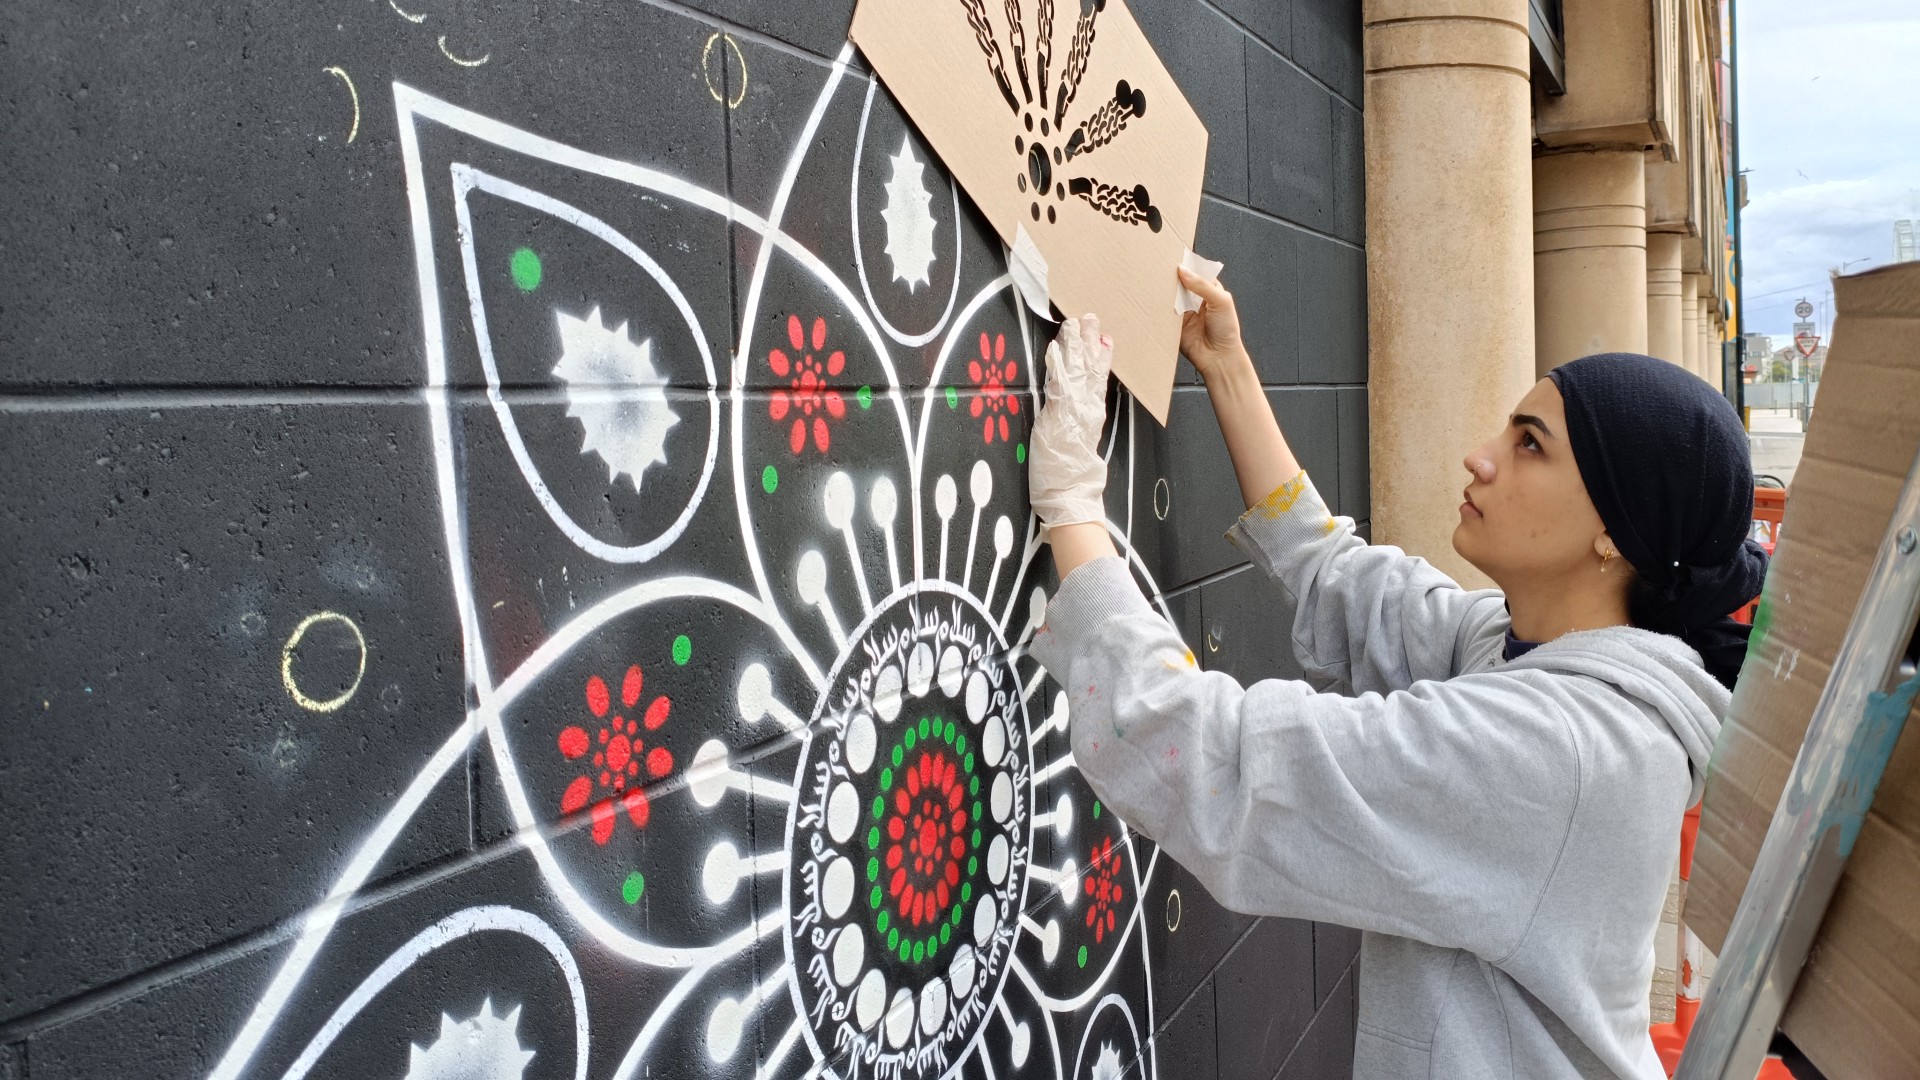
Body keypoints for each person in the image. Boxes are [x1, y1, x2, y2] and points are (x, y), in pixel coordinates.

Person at [1023, 268, 1769, 1080]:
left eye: (1530, 444)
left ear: (1616, 533)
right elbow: (1343, 579)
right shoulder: (1532, 650)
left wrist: (1072, 508)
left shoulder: (1560, 750)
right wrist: (1226, 365)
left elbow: (1219, 764)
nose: (1480, 457)